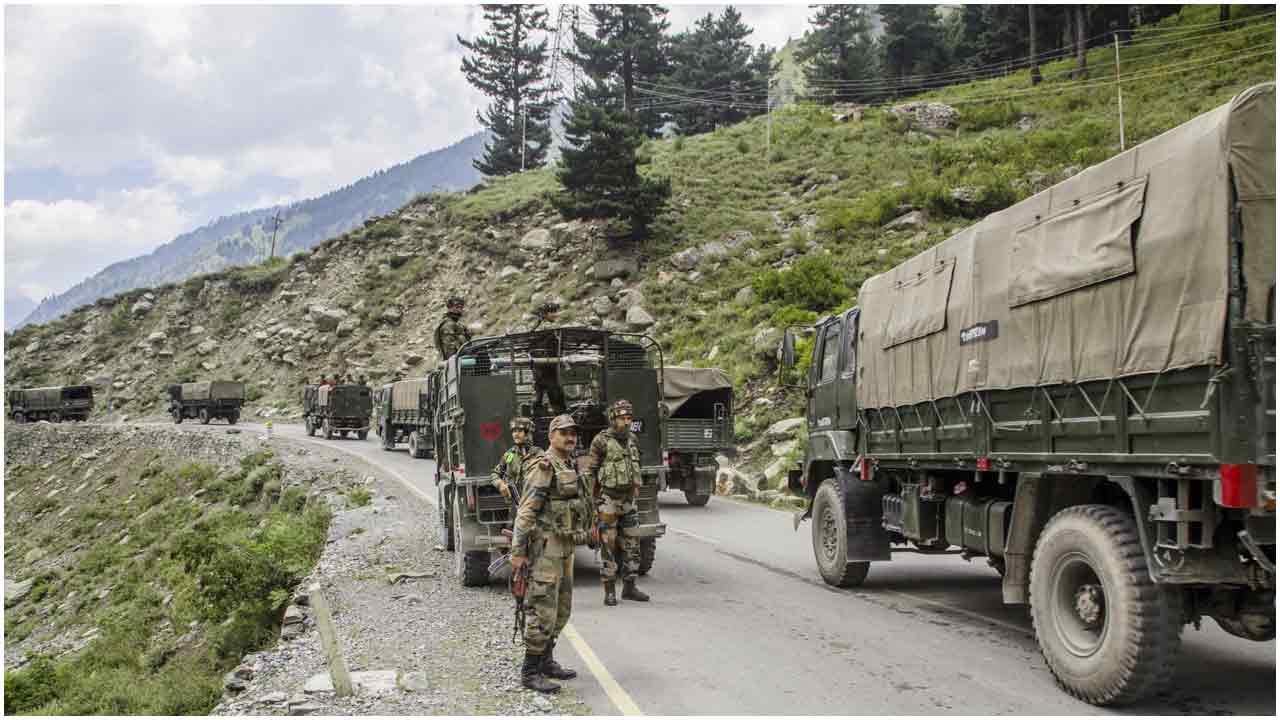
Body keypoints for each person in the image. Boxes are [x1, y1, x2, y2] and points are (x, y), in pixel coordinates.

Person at [510, 414, 593, 693]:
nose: (570, 438)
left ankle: (546, 661)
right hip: (546, 549)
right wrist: (518, 552)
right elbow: (526, 511)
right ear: (551, 436)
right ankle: (530, 671)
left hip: (565, 547)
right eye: (564, 433)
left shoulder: (567, 463)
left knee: (562, 610)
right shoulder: (543, 466)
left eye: (573, 433)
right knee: (543, 610)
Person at [587, 399, 650, 606]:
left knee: (632, 544)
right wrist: (593, 502)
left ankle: (630, 588)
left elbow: (635, 465)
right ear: (613, 418)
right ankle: (610, 591)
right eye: (622, 418)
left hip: (629, 501)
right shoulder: (600, 441)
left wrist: (636, 486)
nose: (626, 422)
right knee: (608, 545)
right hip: (608, 501)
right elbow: (591, 473)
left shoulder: (633, 439)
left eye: (629, 418)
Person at [490, 417, 539, 503]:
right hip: (515, 505)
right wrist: (500, 484)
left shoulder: (538, 454)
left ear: (527, 434)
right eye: (514, 431)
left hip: (534, 504)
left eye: (519, 431)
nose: (516, 434)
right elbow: (495, 474)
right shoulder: (510, 455)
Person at [434, 296, 473, 362]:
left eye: (461, 307)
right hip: (455, 362)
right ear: (449, 308)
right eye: (457, 307)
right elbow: (450, 350)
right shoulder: (448, 325)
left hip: (462, 359)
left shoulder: (458, 324)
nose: (459, 310)